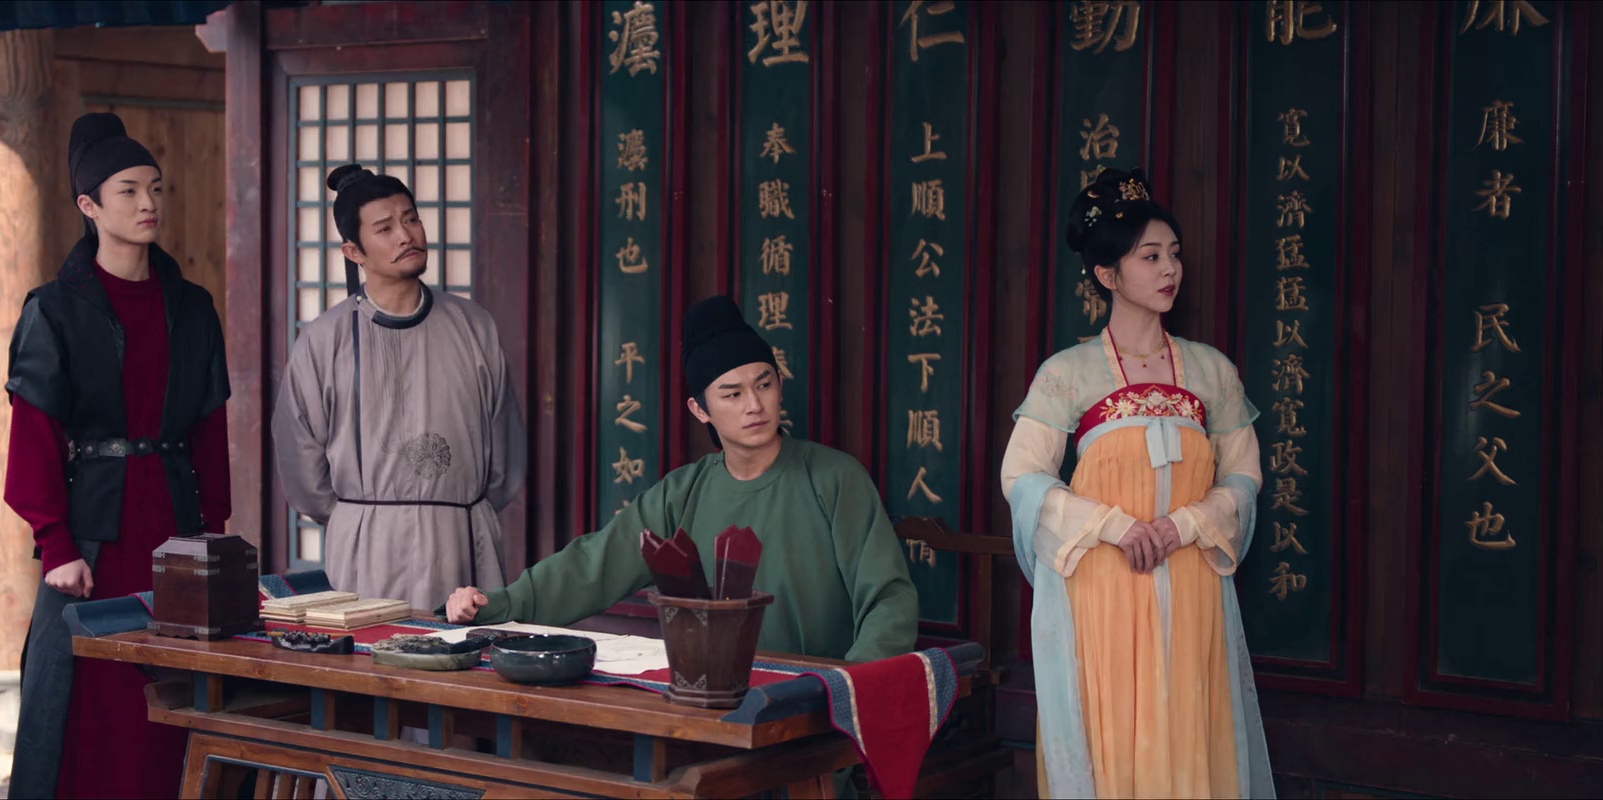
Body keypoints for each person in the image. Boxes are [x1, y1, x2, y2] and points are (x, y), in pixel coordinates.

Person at [444, 295, 916, 664]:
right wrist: (497, 606)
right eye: (732, 394)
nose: (755, 405)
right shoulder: (683, 493)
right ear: (699, 409)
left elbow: (888, 598)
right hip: (714, 697)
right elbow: (593, 565)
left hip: (818, 695)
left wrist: (850, 689)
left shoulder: (833, 478)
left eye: (764, 384)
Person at [1001, 168, 1273, 798]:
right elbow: (1021, 475)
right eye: (1149, 256)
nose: (1169, 269)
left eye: (1174, 253)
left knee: (1191, 727)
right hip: (1105, 584)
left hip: (1192, 576)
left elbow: (1244, 473)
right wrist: (1113, 526)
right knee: (1113, 735)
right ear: (1107, 274)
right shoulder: (1067, 374)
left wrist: (1186, 523)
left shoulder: (1211, 371)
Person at [5, 113, 231, 799]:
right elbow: (34, 436)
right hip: (93, 541)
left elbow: (209, 431)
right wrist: (55, 543)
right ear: (89, 206)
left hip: (175, 530)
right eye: (128, 191)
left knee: (174, 698)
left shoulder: (192, 307)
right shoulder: (54, 309)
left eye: (155, 189)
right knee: (89, 701)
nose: (148, 203)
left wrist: (213, 532)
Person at [271, 164, 526, 611]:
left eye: (411, 219)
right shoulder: (323, 339)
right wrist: (363, 514)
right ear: (353, 251)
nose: (406, 236)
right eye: (385, 228)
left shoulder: (474, 325)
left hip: (462, 537)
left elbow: (504, 453)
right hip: (366, 543)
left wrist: (455, 506)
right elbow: (303, 468)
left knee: (465, 649)